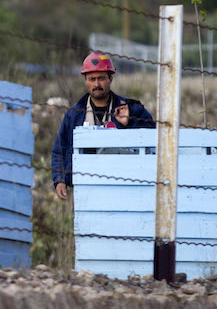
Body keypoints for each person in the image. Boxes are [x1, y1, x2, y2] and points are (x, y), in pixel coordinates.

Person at [51, 52, 155, 201]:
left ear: (110, 79)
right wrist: (59, 180)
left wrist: (129, 123)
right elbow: (59, 150)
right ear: (85, 81)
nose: (96, 84)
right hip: (85, 187)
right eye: (92, 79)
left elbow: (153, 139)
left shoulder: (132, 109)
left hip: (124, 187)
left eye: (101, 78)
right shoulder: (73, 115)